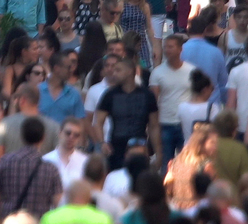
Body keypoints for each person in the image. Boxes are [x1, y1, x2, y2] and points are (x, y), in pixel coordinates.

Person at [96, 56, 162, 170]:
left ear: (130, 71)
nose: (114, 73)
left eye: (118, 70)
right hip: (116, 148)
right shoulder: (110, 95)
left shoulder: (147, 95)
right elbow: (98, 122)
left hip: (140, 147)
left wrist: (158, 152)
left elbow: (154, 126)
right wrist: (102, 143)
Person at [0, 117, 63, 217]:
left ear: (22, 136)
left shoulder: (5, 162)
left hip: (10, 223)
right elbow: (57, 204)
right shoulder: (50, 169)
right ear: (43, 138)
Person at [150, 34, 195, 163]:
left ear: (180, 49)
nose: (167, 50)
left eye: (171, 47)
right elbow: (154, 101)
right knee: (166, 163)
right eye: (165, 47)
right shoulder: (157, 73)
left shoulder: (192, 71)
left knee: (186, 163)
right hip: (165, 123)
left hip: (185, 123)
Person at [0, 83, 61, 157]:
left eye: (16, 97)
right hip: (42, 168)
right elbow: (59, 155)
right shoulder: (54, 126)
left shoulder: (5, 124)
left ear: (22, 100)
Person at [165, 122, 219, 210]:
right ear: (200, 143)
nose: (215, 147)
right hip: (197, 212)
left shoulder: (175, 162)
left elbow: (168, 187)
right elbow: (215, 193)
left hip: (178, 210)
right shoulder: (207, 166)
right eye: (212, 142)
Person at [182, 13, 229, 106]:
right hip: (212, 105)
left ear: (188, 30)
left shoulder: (181, 50)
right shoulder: (216, 52)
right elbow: (223, 83)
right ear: (205, 30)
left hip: (187, 103)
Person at [41, 118, 89, 191]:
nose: (71, 137)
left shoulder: (85, 161)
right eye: (68, 133)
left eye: (76, 135)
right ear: (60, 133)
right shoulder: (46, 160)